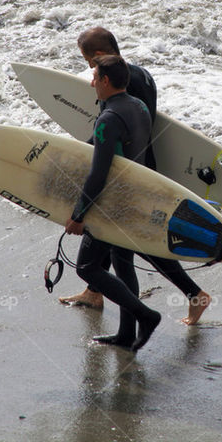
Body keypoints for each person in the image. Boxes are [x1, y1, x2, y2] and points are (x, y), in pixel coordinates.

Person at [58, 27, 213, 325]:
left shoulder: (118, 93)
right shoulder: (140, 76)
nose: (91, 74)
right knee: (123, 246)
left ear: (101, 57)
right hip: (140, 169)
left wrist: (86, 193)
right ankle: (97, 294)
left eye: (91, 64)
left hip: (126, 180)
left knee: (125, 251)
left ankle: (140, 323)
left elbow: (115, 138)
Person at [65, 55, 161, 351]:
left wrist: (79, 214)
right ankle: (125, 334)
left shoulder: (108, 120)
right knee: (122, 264)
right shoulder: (139, 106)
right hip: (134, 197)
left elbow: (99, 173)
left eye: (95, 77)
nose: (92, 82)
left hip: (111, 205)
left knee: (87, 267)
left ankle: (146, 316)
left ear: (106, 81)